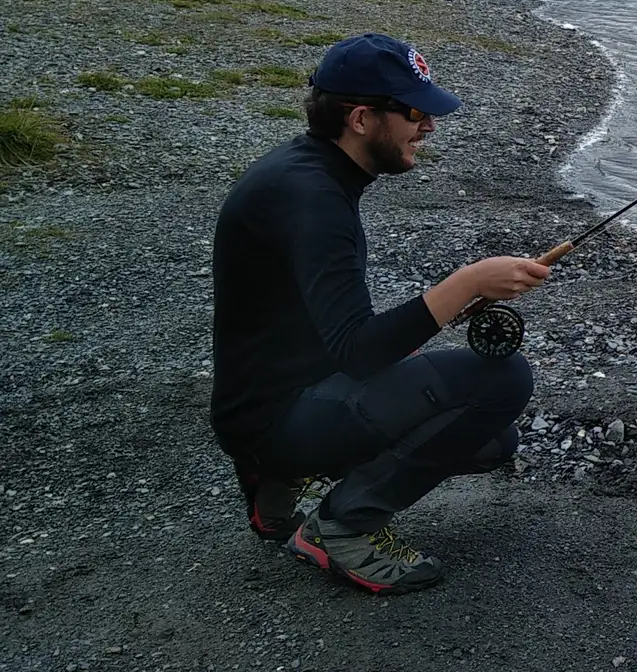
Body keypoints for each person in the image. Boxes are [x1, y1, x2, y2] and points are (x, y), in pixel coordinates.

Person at [210, 33, 552, 595]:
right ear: (361, 119)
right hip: (277, 416)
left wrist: (458, 300)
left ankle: (275, 478)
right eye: (415, 113)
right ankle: (341, 527)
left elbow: (336, 331)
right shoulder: (314, 200)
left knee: (493, 441)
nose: (429, 126)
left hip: (264, 403)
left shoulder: (306, 171)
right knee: (504, 380)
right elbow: (359, 349)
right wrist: (467, 282)